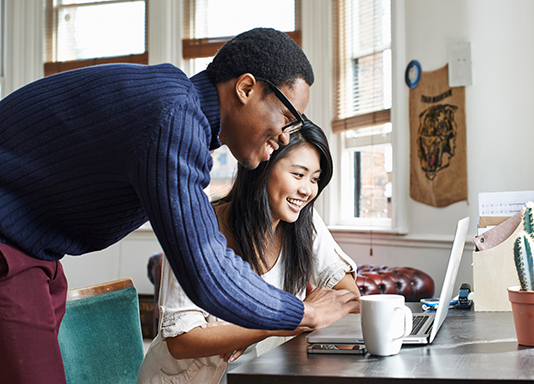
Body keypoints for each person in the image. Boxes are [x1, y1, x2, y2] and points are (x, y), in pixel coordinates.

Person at [0, 28, 360, 383]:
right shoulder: (172, 117)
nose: (285, 135)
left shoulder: (176, 112)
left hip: (37, 252)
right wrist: (303, 312)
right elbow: (207, 273)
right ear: (246, 88)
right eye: (286, 117)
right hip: (11, 249)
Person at [138, 119, 360, 384]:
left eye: (315, 179)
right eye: (298, 175)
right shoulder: (197, 226)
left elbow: (349, 298)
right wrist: (280, 321)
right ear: (263, 167)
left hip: (262, 374)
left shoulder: (303, 221)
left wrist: (247, 330)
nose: (307, 190)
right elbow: (182, 341)